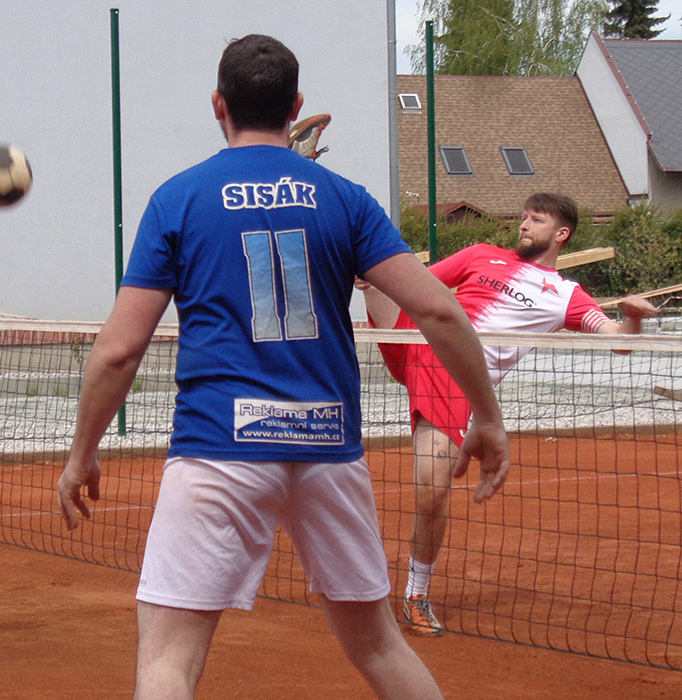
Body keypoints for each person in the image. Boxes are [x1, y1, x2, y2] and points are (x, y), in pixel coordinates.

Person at [57, 34, 510, 700]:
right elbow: (439, 311)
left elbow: (120, 348)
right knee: (379, 646)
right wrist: (488, 418)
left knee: (168, 661)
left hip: (219, 447)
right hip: (328, 448)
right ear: (296, 107)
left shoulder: (179, 198)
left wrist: (82, 453)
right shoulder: (346, 198)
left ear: (218, 105)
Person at [360, 192, 659, 637]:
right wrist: (370, 276)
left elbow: (618, 340)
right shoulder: (480, 254)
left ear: (561, 234)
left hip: (453, 377)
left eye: (536, 220)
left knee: (431, 493)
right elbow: (416, 286)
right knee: (371, 268)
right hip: (416, 337)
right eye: (523, 217)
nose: (523, 225)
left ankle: (416, 594)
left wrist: (632, 318)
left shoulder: (566, 296)